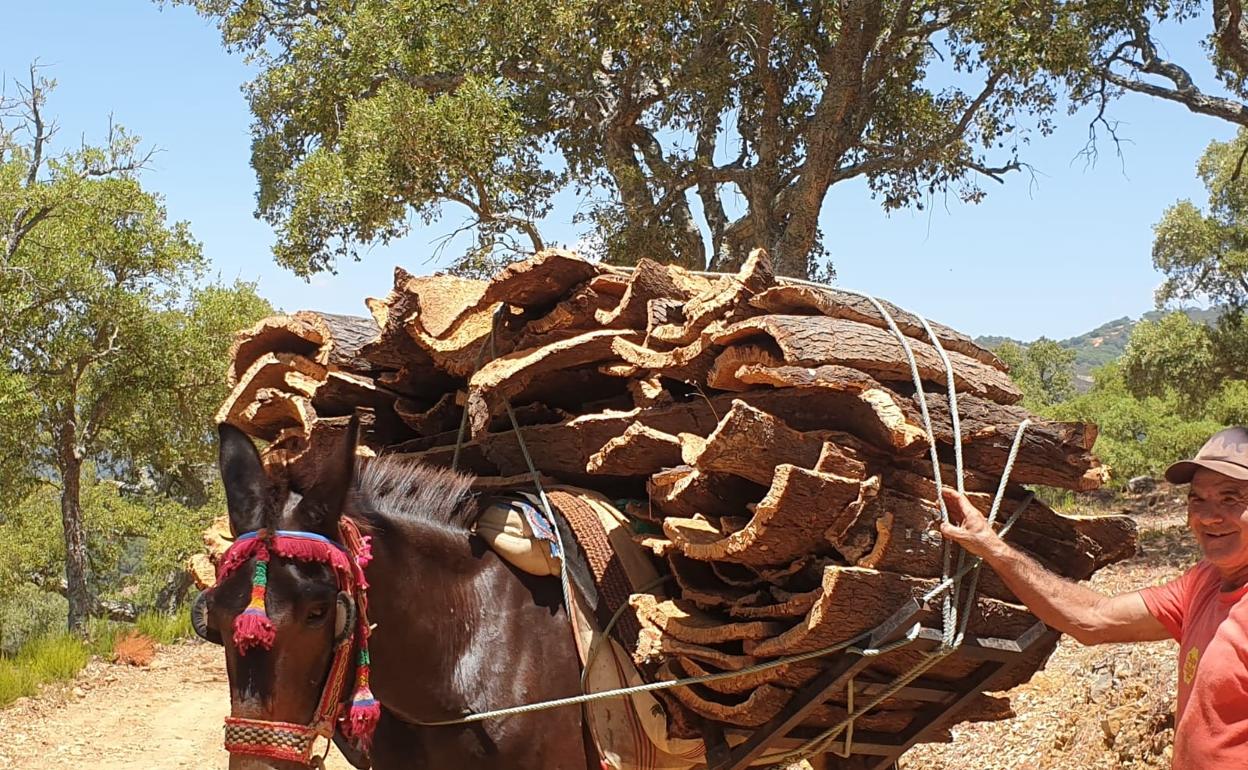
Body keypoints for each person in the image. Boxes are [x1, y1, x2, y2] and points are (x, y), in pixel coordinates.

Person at [940, 425, 1248, 770]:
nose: (1207, 516)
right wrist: (993, 548)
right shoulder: (1203, 583)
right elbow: (1093, 618)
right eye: (1197, 499)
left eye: (1231, 498)